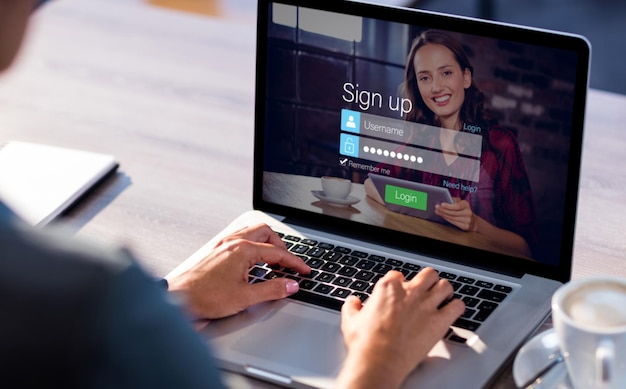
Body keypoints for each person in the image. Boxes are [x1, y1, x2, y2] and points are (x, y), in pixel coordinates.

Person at [0, 1, 464, 388]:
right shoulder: (100, 306)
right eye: (424, 77)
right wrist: (379, 360)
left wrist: (173, 296)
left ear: (465, 78)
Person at [365, 30, 537, 259]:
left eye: (446, 73)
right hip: (426, 260)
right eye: (425, 78)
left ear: (466, 77)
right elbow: (371, 184)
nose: (436, 87)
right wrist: (420, 202)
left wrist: (476, 224)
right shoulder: (423, 139)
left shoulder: (500, 144)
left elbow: (525, 249)